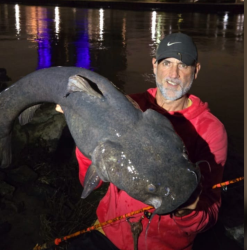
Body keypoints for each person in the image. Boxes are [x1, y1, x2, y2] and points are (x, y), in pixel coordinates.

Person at [57, 33, 227, 250]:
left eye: (183, 65)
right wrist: (83, 127)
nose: (173, 74)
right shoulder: (128, 104)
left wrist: (187, 209)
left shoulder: (211, 130)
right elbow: (91, 179)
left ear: (196, 70)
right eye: (166, 63)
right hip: (108, 231)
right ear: (155, 66)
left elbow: (210, 215)